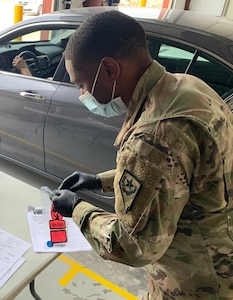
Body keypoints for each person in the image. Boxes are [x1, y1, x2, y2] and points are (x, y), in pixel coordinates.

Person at [51, 11, 233, 299]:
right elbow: (176, 173)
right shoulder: (186, 87)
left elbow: (132, 247)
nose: (82, 94)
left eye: (82, 84)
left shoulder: (152, 137)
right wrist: (99, 181)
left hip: (195, 284)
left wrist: (76, 208)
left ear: (109, 70)